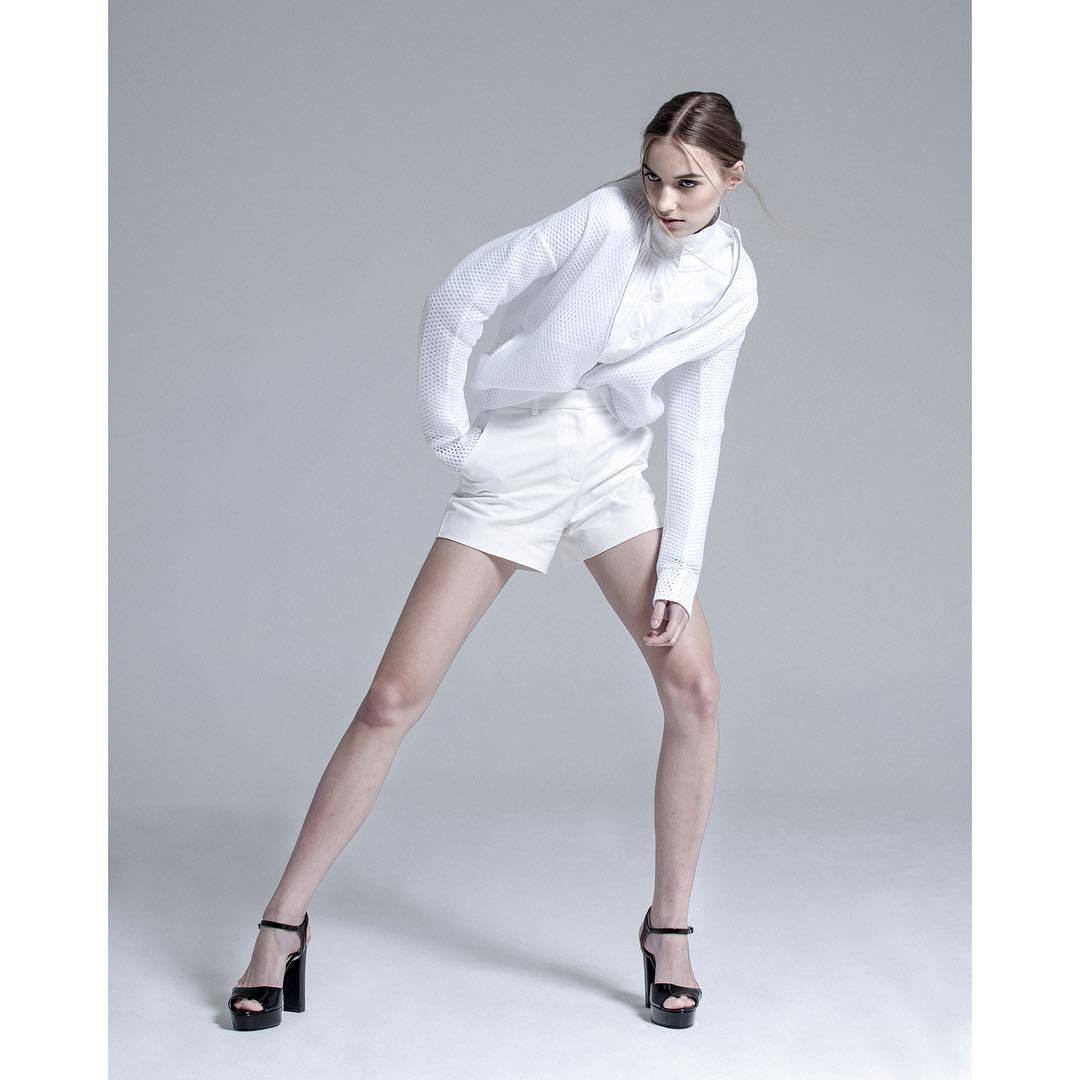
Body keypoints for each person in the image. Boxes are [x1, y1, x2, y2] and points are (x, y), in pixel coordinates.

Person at [227, 90, 761, 1032]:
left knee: (697, 690)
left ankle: (668, 928)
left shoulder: (732, 285)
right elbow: (460, 297)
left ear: (733, 177)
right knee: (391, 699)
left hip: (612, 474)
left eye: (688, 183)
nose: (663, 200)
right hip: (519, 459)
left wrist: (679, 571)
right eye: (653, 177)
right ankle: (283, 924)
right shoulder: (604, 217)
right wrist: (453, 436)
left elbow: (698, 423)